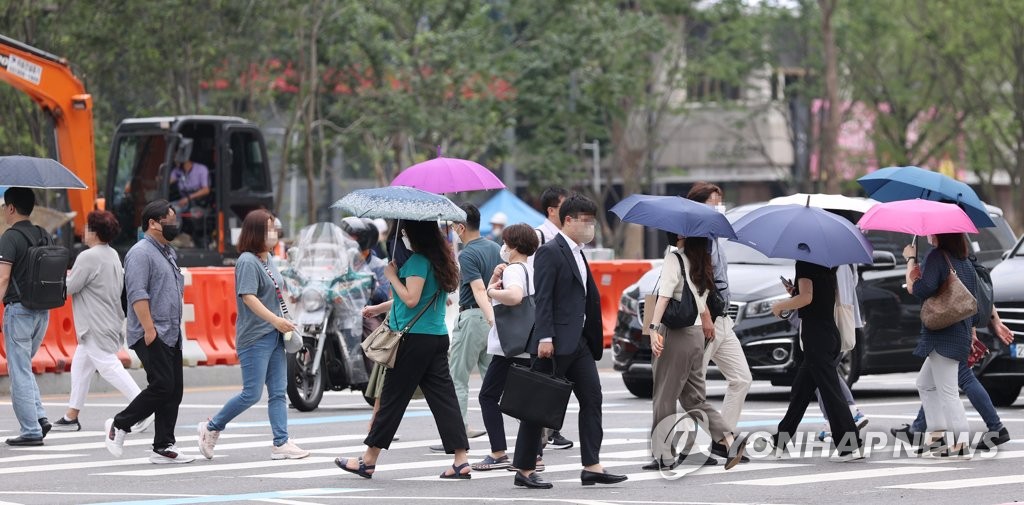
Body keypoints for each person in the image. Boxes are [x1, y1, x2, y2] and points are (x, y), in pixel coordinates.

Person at [337, 219, 471, 480]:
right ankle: (461, 460)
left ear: (415, 234)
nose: (404, 235)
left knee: (391, 400)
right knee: (445, 400)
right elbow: (415, 297)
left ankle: (368, 460)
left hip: (413, 341)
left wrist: (390, 276)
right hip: (435, 337)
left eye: (406, 231)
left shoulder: (418, 262)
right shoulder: (441, 261)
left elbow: (410, 298)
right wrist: (379, 308)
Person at [510, 194, 627, 489]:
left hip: (580, 343)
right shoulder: (550, 251)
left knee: (593, 398)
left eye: (593, 220)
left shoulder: (579, 251)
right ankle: (523, 470)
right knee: (538, 405)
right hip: (555, 343)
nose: (591, 226)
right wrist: (545, 336)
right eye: (586, 220)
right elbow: (544, 297)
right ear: (569, 220)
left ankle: (592, 465)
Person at [197, 210, 309, 461]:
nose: (274, 233)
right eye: (269, 228)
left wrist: (284, 318)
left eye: (274, 228)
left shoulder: (267, 258)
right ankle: (211, 427)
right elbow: (248, 297)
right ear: (256, 232)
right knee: (252, 393)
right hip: (255, 336)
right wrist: (276, 320)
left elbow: (275, 293)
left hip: (275, 334)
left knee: (279, 391)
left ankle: (281, 442)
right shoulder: (247, 261)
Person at [646, 232, 747, 471]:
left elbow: (664, 297)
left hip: (677, 334)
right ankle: (729, 440)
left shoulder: (676, 258)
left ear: (681, 234)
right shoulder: (702, 260)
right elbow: (703, 302)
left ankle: (664, 455)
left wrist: (653, 328)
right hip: (696, 336)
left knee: (664, 395)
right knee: (694, 398)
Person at [104, 200, 194, 464]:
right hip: (151, 331)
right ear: (152, 223)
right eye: (169, 220)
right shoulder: (140, 253)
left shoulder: (167, 251)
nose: (173, 225)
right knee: (163, 385)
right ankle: (120, 424)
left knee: (174, 389)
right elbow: (137, 293)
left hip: (170, 331)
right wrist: (149, 328)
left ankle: (164, 445)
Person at [52, 210, 152, 433]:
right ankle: (71, 416)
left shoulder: (89, 257)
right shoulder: (111, 254)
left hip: (94, 325)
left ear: (94, 232)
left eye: (87, 228)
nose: (83, 232)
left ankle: (142, 407)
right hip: (107, 321)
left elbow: (70, 287)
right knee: (81, 366)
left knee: (109, 367)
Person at [769, 259, 863, 461]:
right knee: (801, 392)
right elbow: (815, 296)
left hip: (816, 336)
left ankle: (849, 446)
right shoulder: (829, 263)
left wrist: (780, 305)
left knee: (830, 392)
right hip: (829, 332)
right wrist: (794, 293)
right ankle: (779, 441)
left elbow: (807, 298)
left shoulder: (805, 263)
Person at [684, 182, 752, 459]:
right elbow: (695, 281)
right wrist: (706, 316)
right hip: (705, 319)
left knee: (742, 378)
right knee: (691, 387)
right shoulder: (693, 238)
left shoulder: (713, 235)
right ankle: (681, 444)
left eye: (719, 201)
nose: (717, 206)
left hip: (723, 317)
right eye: (712, 201)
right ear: (698, 204)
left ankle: (722, 440)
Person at [471, 223, 542, 472]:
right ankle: (534, 454)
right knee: (527, 401)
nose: (503, 247)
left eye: (505, 243)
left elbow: (512, 296)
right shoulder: (532, 268)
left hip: (509, 346)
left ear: (512, 246)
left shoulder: (514, 269)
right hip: (528, 342)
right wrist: (494, 280)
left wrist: (491, 289)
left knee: (488, 396)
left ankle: (498, 452)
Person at [892, 307, 1014, 451]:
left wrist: (972, 330)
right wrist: (993, 322)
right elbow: (979, 294)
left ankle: (968, 439)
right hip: (958, 326)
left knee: (960, 378)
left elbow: (963, 295)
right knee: (928, 383)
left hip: (951, 328)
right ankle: (923, 432)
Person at [903, 233, 977, 459]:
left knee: (948, 391)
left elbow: (921, 290)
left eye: (931, 231)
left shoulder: (937, 257)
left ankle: (961, 443)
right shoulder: (964, 261)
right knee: (925, 383)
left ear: (940, 234)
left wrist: (910, 261)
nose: (927, 234)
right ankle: (936, 439)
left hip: (944, 334)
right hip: (958, 332)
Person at [0, 187, 52, 446]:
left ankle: (30, 430)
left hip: (19, 311)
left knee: (18, 370)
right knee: (24, 367)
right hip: (42, 312)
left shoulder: (10, 237)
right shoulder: (44, 234)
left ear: (10, 208)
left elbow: (3, 277)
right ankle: (40, 418)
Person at [449, 203, 501, 439]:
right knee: (494, 381)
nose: (452, 231)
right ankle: (531, 424)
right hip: (494, 319)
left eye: (452, 227)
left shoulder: (468, 253)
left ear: (461, 227)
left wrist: (488, 316)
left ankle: (458, 430)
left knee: (457, 377)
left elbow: (479, 290)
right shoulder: (495, 248)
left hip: (472, 317)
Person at [529, 186, 575, 451]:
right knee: (545, 377)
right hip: (544, 312)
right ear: (551, 210)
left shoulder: (567, 238)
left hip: (563, 316)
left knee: (559, 377)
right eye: (564, 206)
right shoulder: (540, 236)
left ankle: (551, 429)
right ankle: (539, 436)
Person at [814, 262, 869, 442]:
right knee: (822, 373)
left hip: (829, 319)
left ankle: (850, 411)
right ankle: (832, 421)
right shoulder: (846, 257)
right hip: (845, 316)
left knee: (823, 372)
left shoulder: (828, 259)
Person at [169, 138, 211, 210]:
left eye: (176, 160)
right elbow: (169, 181)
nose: (175, 162)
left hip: (197, 202)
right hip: (183, 202)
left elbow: (206, 190)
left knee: (173, 212)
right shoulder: (177, 171)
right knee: (164, 210)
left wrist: (188, 198)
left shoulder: (201, 169)